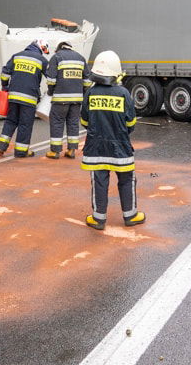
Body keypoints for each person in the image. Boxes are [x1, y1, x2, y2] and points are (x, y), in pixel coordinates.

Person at [80, 50, 145, 230]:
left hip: (96, 147)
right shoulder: (123, 93)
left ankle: (98, 218)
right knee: (127, 179)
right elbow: (131, 123)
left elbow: (84, 121)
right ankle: (130, 215)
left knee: (99, 181)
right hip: (121, 148)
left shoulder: (90, 93)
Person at [0, 39, 49, 157]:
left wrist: (5, 87)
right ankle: (21, 151)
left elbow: (5, 73)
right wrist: (51, 91)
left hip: (13, 96)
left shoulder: (17, 56)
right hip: (29, 98)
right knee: (25, 124)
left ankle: (2, 146)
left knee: (11, 120)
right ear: (41, 47)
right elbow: (51, 78)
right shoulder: (41, 60)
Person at [44, 41, 92, 159]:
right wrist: (83, 93)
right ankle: (71, 150)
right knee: (73, 123)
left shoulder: (57, 57)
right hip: (76, 99)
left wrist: (51, 91)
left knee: (57, 122)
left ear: (59, 48)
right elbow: (88, 80)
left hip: (60, 99)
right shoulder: (81, 58)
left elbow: (50, 79)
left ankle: (55, 151)